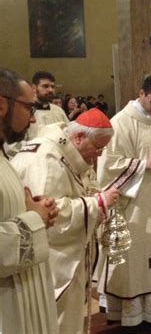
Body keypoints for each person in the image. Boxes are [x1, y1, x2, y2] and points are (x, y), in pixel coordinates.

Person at [12, 108, 120, 334]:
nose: (99, 155)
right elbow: (48, 217)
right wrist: (98, 203)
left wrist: (96, 196)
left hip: (66, 254)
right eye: (98, 147)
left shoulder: (68, 151)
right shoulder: (46, 158)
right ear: (79, 137)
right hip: (51, 260)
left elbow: (82, 186)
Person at [96, 73, 151, 331]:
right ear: (141, 93)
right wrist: (141, 165)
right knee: (135, 259)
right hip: (133, 206)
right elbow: (108, 165)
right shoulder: (122, 123)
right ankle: (133, 314)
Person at [0, 68, 59, 334]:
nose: (33, 119)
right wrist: (34, 218)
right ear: (2, 105)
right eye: (28, 108)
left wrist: (30, 208)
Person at [4, 71, 69, 157]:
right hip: (29, 161)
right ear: (34, 88)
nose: (50, 90)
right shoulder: (22, 111)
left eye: (52, 87)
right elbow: (12, 145)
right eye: (45, 86)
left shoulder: (58, 111)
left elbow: (68, 134)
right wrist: (42, 149)